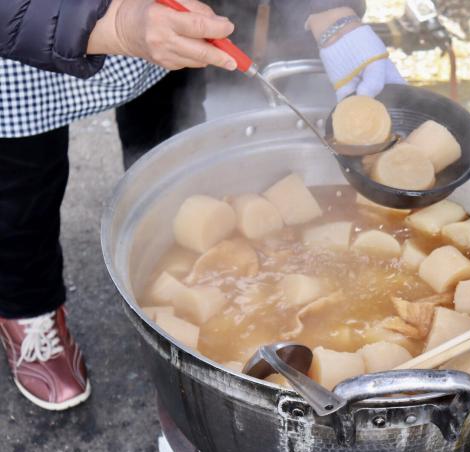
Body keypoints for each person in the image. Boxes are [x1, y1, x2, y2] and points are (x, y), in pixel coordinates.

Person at [0, 0, 404, 411]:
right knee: (19, 188)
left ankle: (159, 255)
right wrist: (115, 24)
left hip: (159, 20)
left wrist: (329, 10)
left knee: (161, 152)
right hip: (19, 47)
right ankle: (28, 309)